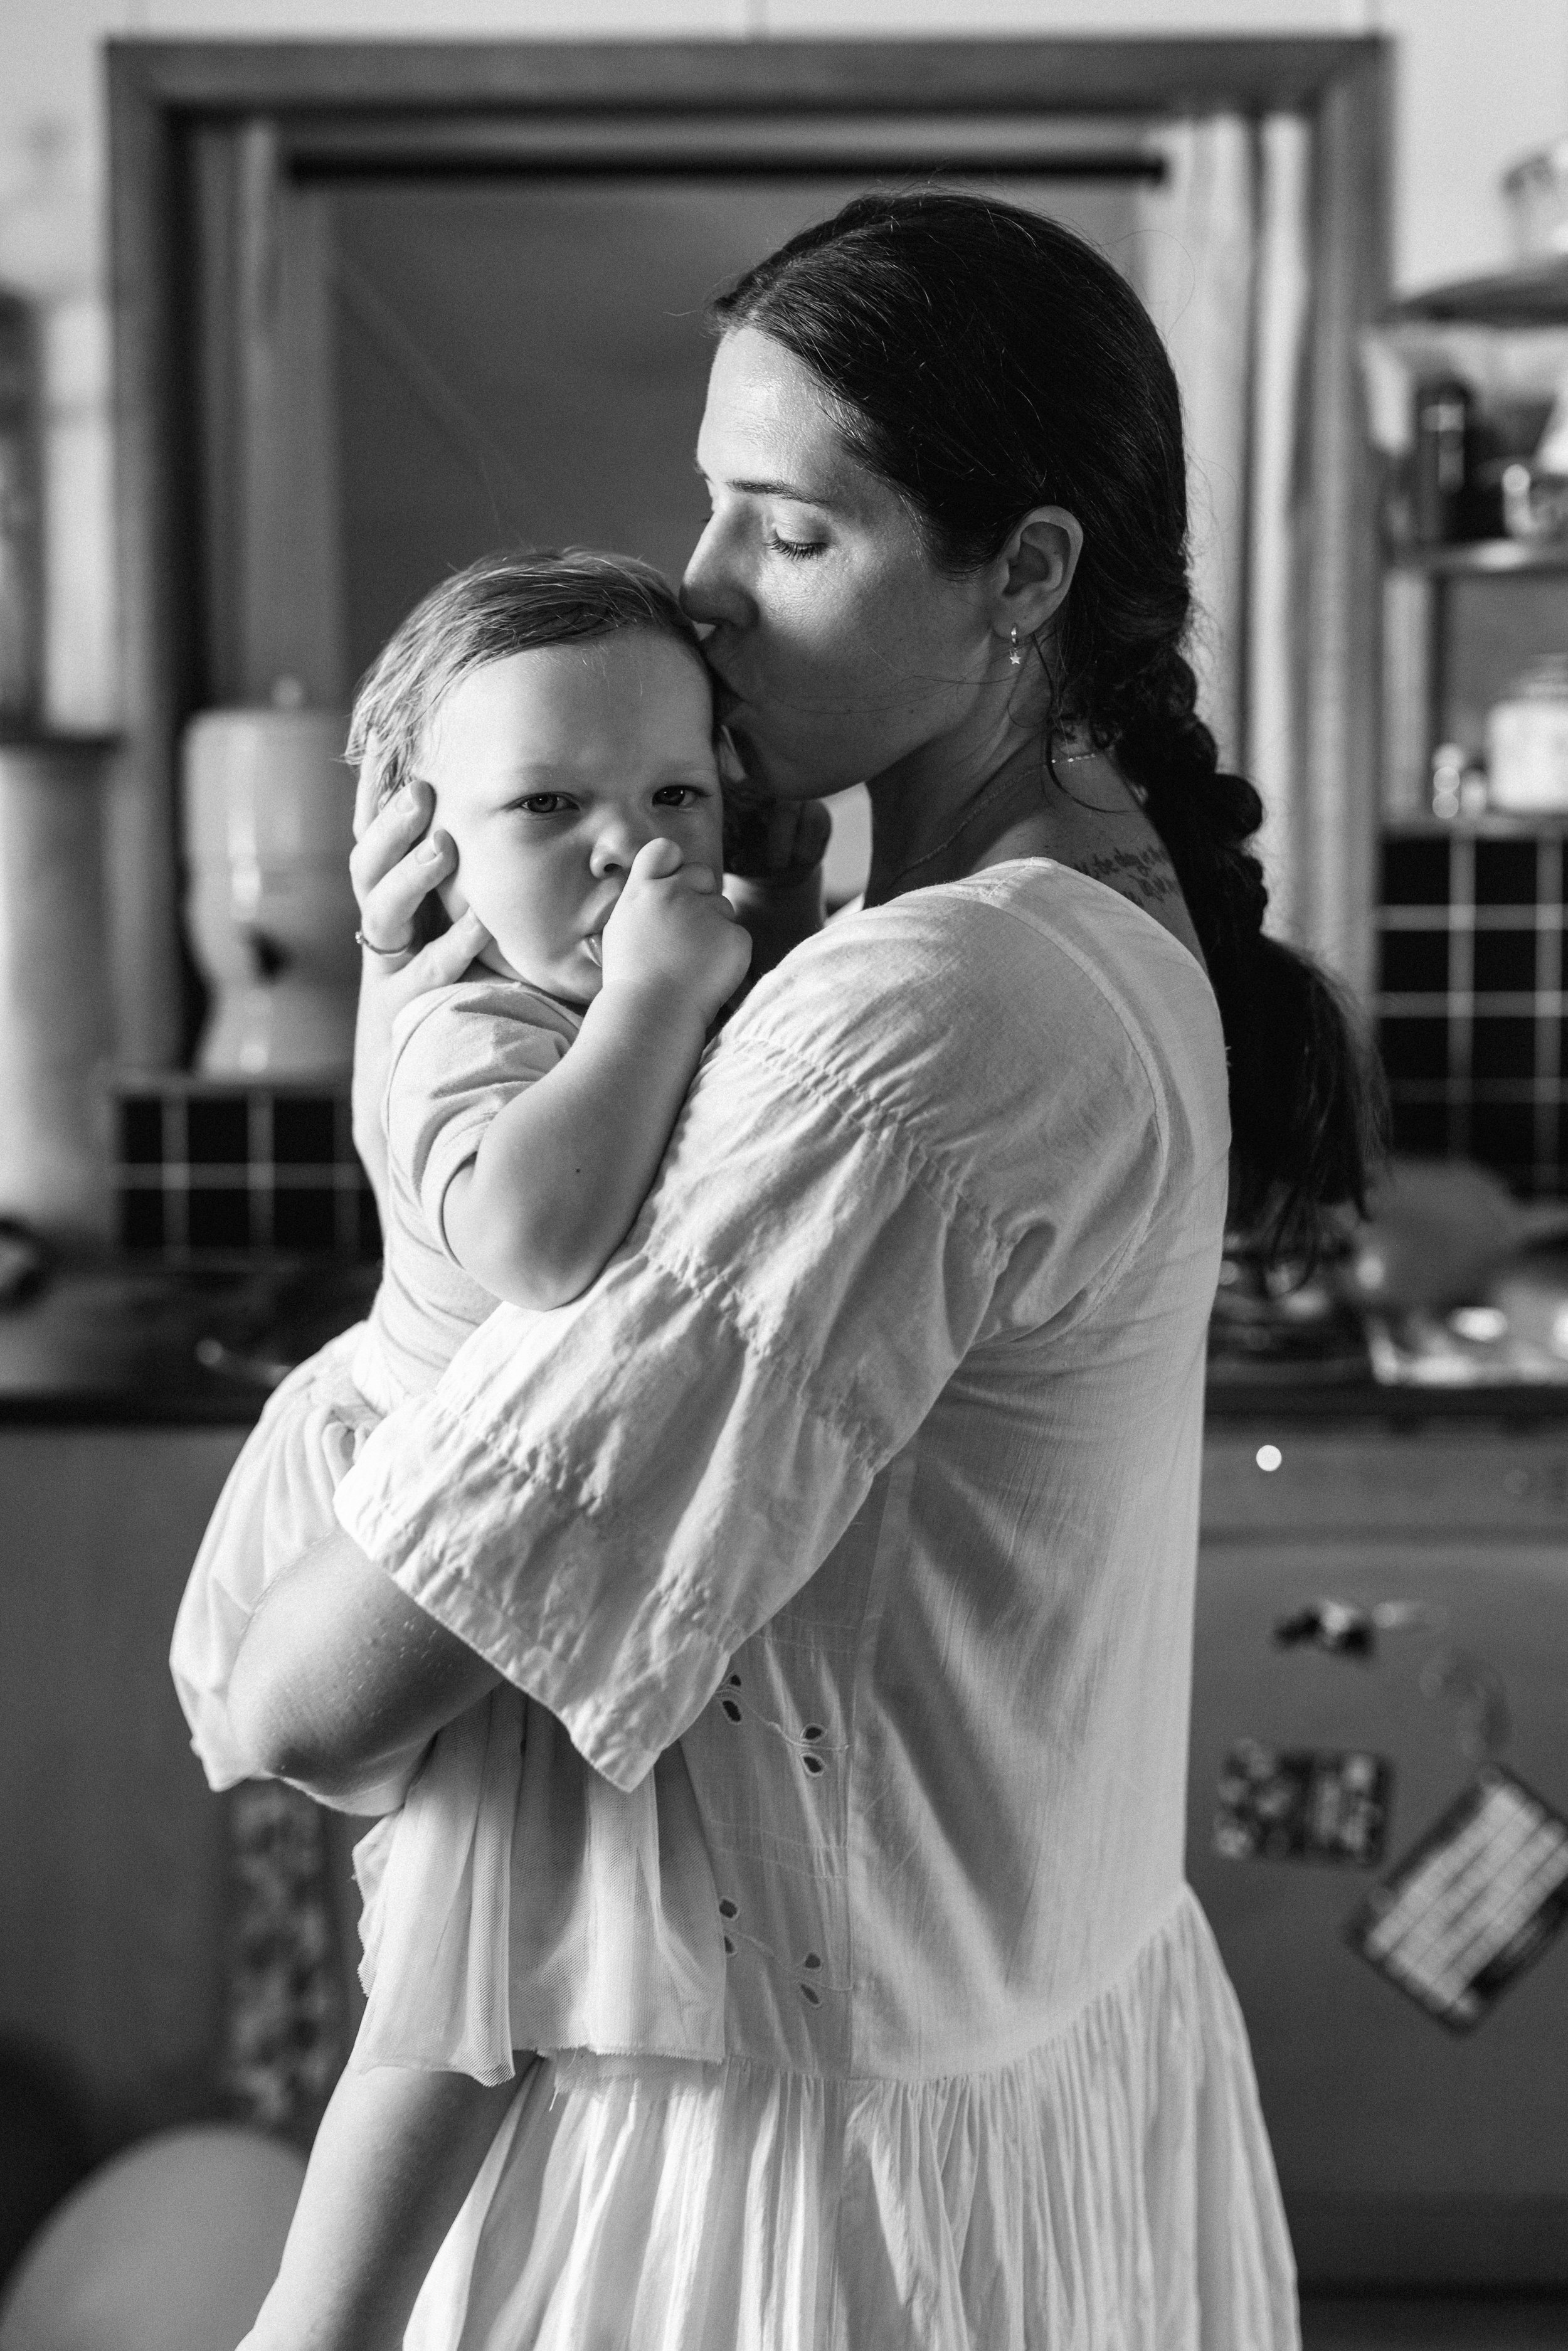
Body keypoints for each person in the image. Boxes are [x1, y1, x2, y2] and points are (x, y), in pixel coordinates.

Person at [226, 191, 1385, 2350]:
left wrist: (428, 1042)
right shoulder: (1073, 924)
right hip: (1007, 2070)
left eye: (788, 529)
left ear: (1024, 574)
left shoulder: (916, 1026)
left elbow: (315, 1692)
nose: (700, 583)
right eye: (707, 502)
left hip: (782, 2182)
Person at [172, 551, 772, 2348]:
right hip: (428, 1533)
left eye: (675, 795)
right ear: (419, 842)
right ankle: (319, 2323)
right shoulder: (465, 1026)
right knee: (450, 1999)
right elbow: (534, 1237)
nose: (628, 849)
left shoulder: (558, 983)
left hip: (506, 1527)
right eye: (547, 807)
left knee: (498, 1986)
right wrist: (661, 998)